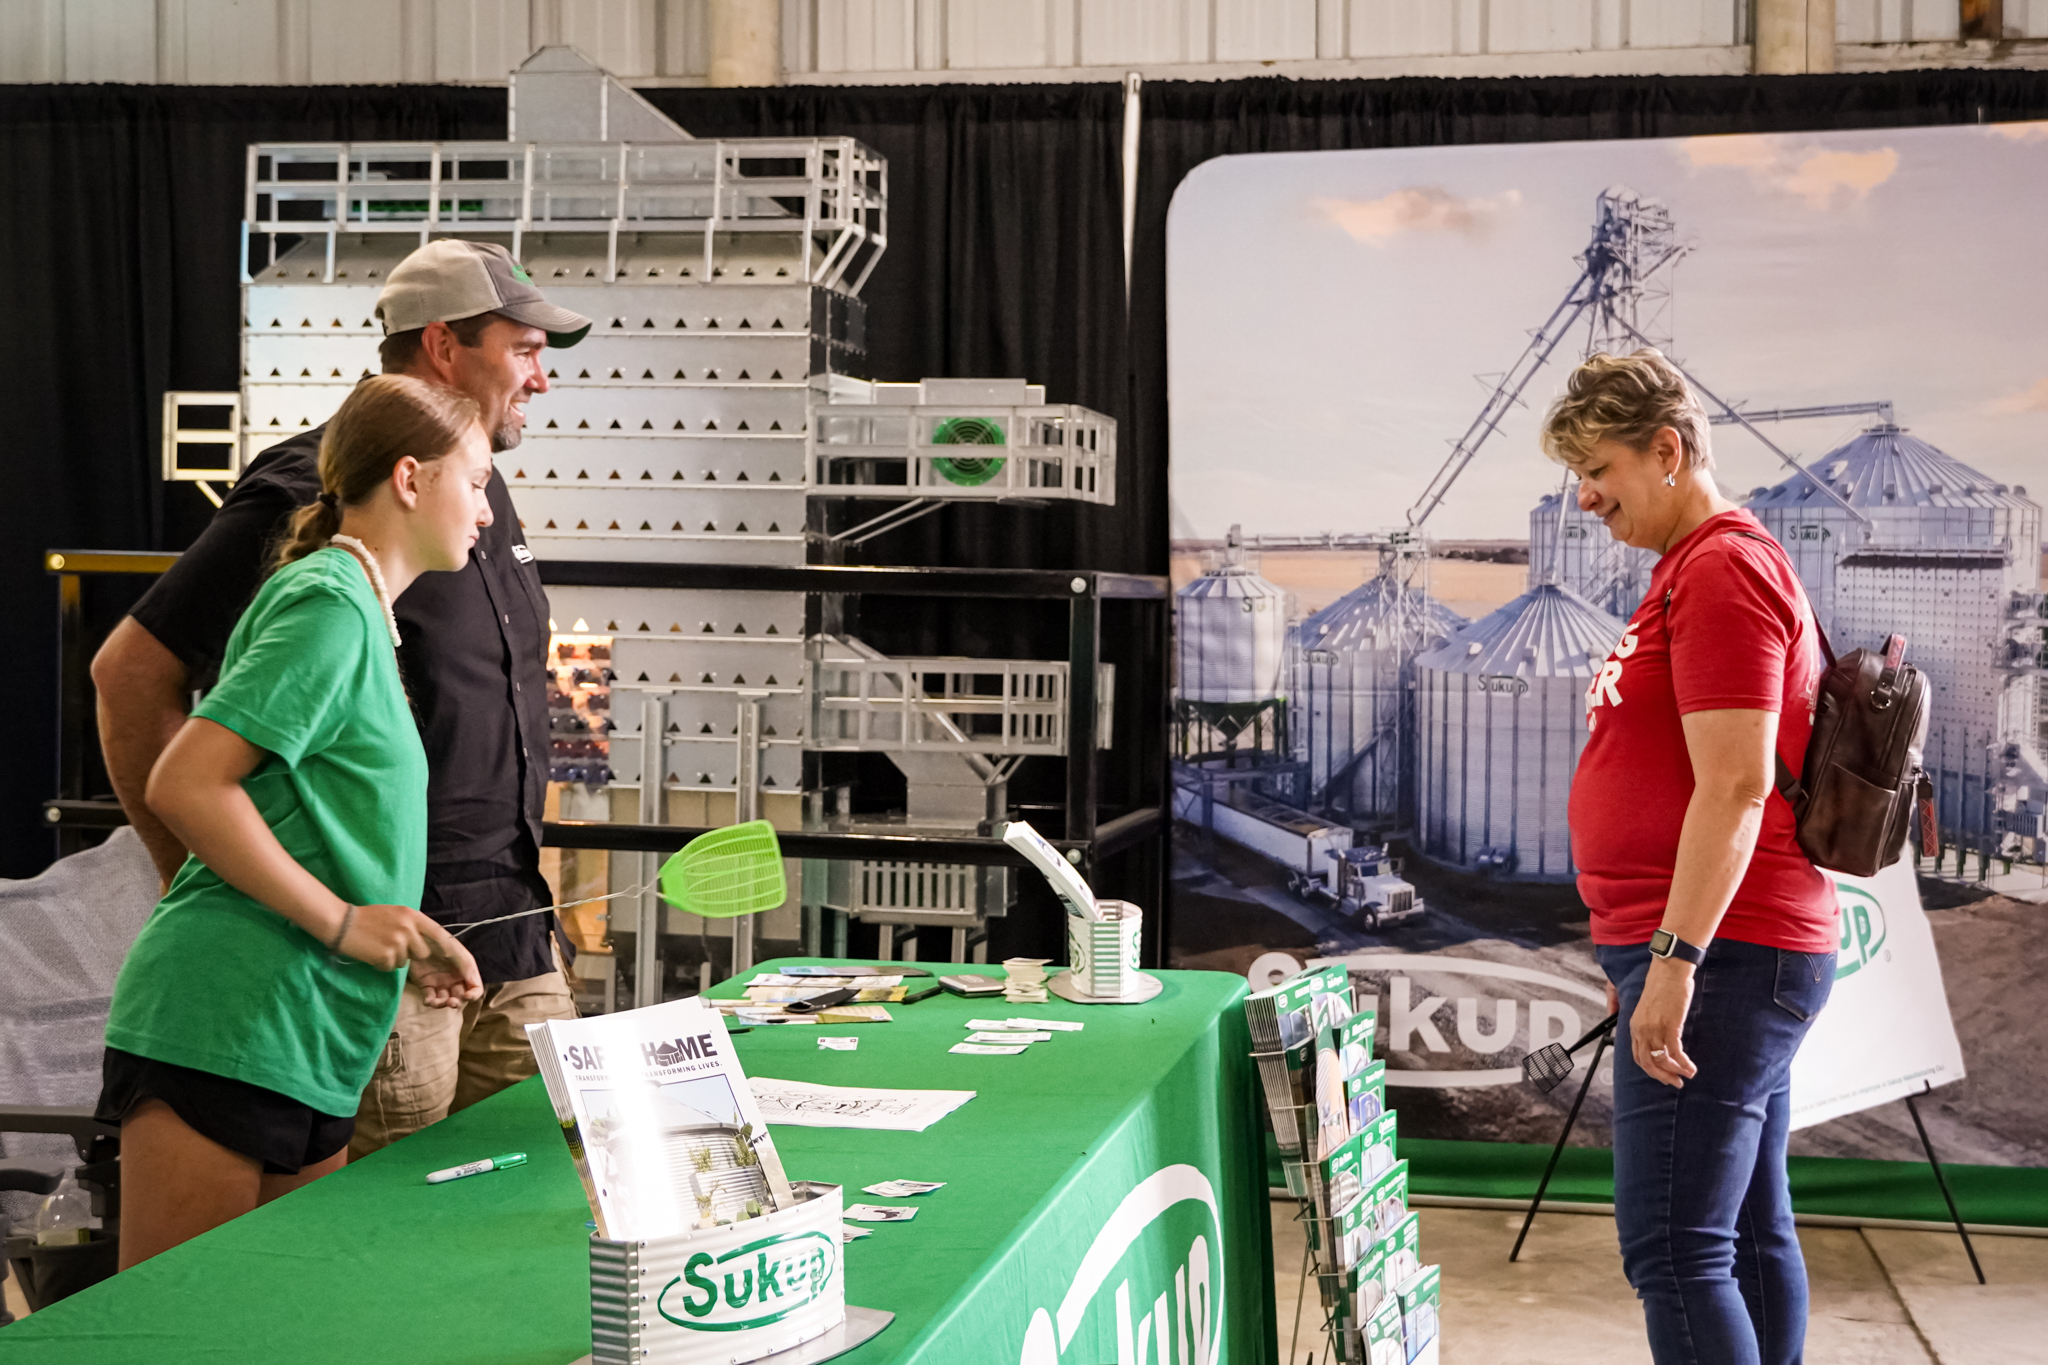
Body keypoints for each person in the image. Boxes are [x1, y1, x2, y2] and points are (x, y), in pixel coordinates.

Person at [91, 240, 593, 1160]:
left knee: (516, 1236)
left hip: (512, 948)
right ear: (444, 346)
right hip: (390, 962)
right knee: (359, 1261)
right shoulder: (316, 512)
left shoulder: (468, 492)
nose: (540, 378)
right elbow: (131, 678)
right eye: (523, 349)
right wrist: (228, 887)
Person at [101, 375, 491, 1267]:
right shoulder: (328, 604)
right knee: (181, 1335)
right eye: (475, 482)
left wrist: (403, 926)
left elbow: (322, 821)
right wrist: (345, 921)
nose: (487, 511)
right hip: (230, 1024)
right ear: (409, 478)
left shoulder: (361, 611)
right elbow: (187, 782)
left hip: (312, 1033)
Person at [1547, 349, 1837, 1365]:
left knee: (1672, 1250)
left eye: (1599, 472)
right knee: (1744, 1238)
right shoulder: (1694, 566)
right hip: (1730, 950)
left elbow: (1736, 785)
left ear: (1665, 451)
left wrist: (1674, 958)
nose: (1584, 499)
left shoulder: (1721, 567)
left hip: (1722, 952)